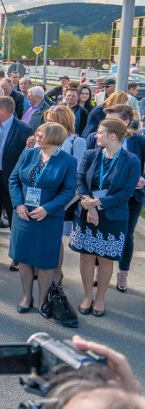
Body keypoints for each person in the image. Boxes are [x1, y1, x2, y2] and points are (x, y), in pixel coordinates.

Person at [70, 119, 139, 318]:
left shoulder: (131, 160)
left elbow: (126, 193)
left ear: (112, 136)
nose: (95, 136)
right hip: (86, 212)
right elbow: (80, 180)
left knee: (106, 258)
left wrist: (98, 204)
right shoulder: (91, 154)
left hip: (113, 216)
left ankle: (100, 298)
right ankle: (87, 296)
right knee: (86, 256)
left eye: (100, 133)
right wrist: (89, 204)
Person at [8, 122, 78, 315]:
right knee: (24, 257)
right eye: (37, 132)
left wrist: (48, 208)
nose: (36, 135)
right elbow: (13, 180)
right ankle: (26, 296)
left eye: (41, 133)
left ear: (53, 137)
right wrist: (18, 204)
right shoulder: (28, 153)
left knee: (46, 260)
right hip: (23, 215)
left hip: (48, 217)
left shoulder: (67, 161)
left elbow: (69, 190)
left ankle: (43, 300)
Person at [0, 95, 32, 272]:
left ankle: (17, 255)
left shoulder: (23, 129)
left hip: (11, 181)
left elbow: (28, 159)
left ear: (3, 110)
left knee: (14, 219)